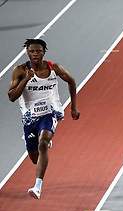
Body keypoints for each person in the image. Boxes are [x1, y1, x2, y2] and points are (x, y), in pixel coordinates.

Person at [7, 38, 80, 200]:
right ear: (27, 52)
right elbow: (12, 97)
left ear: (44, 52)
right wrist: (26, 79)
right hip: (30, 118)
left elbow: (72, 81)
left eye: (38, 51)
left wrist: (74, 107)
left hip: (50, 112)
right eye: (32, 51)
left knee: (43, 143)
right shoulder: (19, 71)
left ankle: (37, 186)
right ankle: (40, 139)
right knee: (35, 158)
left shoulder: (54, 68)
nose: (35, 54)